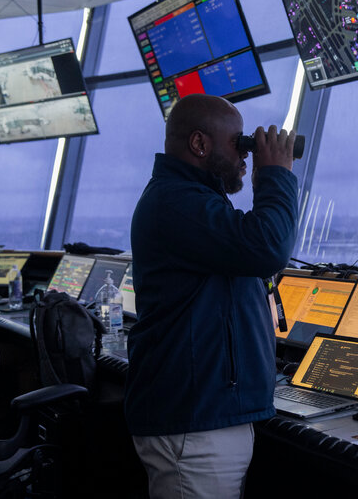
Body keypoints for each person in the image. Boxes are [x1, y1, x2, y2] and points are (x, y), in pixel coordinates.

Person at [125, 94, 298, 498]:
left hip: (204, 416)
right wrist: (275, 175)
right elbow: (266, 245)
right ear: (200, 145)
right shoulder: (176, 202)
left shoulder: (189, 200)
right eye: (238, 143)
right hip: (195, 425)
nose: (245, 155)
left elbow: (251, 248)